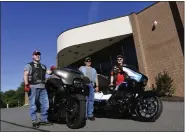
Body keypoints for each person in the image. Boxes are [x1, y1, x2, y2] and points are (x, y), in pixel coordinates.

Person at [23, 50, 53, 128]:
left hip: (43, 87)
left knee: (46, 105)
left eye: (39, 54)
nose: (37, 55)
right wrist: (26, 84)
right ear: (33, 56)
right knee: (33, 105)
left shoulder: (43, 66)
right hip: (33, 87)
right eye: (35, 54)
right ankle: (34, 120)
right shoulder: (29, 65)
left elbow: (49, 72)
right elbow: (25, 74)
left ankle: (44, 119)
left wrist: (52, 69)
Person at [79, 57, 99, 121]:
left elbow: (96, 78)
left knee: (91, 100)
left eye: (89, 61)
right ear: (85, 62)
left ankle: (90, 114)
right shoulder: (82, 68)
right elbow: (78, 74)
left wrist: (97, 86)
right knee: (85, 99)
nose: (88, 62)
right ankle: (84, 115)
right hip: (84, 84)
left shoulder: (94, 69)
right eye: (87, 61)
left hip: (91, 84)